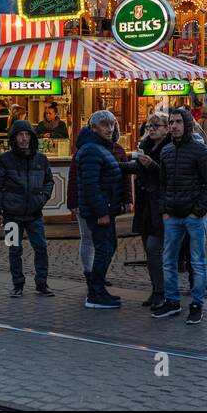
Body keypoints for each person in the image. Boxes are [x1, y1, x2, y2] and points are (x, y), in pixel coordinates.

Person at [154, 108, 207, 323]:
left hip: (193, 216)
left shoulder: (200, 150)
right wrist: (164, 210)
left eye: (178, 122)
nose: (173, 126)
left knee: (197, 262)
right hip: (172, 215)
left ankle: (197, 304)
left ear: (187, 124)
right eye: (171, 122)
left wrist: (197, 211)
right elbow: (162, 184)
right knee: (168, 261)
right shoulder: (167, 151)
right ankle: (172, 302)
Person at [0, 119, 56, 297]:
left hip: (34, 214)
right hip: (11, 215)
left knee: (41, 247)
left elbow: (49, 181)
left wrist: (43, 197)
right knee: (14, 250)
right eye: (20, 135)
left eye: (27, 135)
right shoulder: (4, 160)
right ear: (14, 138)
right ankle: (17, 284)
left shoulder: (41, 159)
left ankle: (41, 283)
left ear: (32, 138)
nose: (24, 139)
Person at [73, 110, 126, 310]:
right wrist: (102, 211)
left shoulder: (101, 148)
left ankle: (98, 289)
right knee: (103, 249)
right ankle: (95, 292)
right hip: (99, 211)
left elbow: (112, 169)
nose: (110, 129)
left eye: (112, 124)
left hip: (107, 208)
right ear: (93, 128)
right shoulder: (91, 150)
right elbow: (90, 185)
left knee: (109, 247)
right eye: (105, 124)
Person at [129, 112, 170, 307]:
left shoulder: (169, 148)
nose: (152, 129)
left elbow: (169, 175)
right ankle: (155, 289)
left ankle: (162, 291)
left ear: (166, 129)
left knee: (155, 248)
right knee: (148, 248)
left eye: (156, 126)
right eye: (149, 127)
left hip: (160, 205)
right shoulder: (145, 146)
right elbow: (138, 169)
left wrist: (152, 165)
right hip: (145, 204)